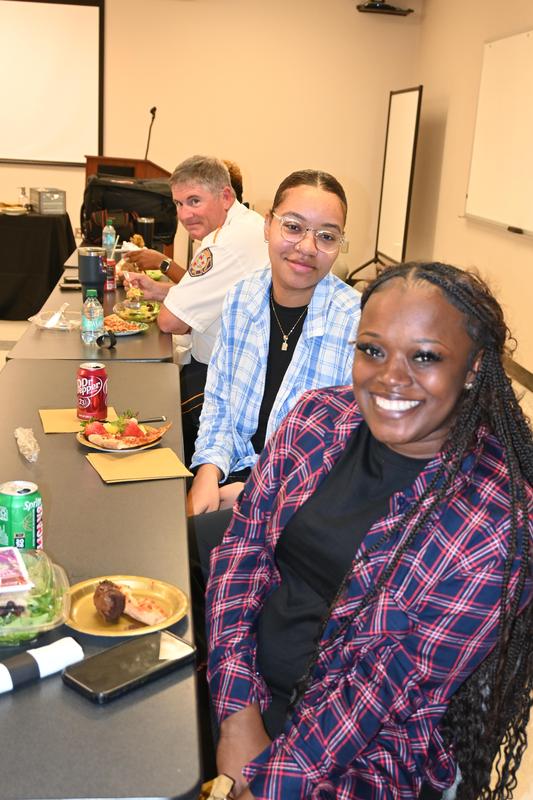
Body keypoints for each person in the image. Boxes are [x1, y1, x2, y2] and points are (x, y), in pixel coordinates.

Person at [205, 262, 533, 800]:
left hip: (367, 755)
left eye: (424, 357)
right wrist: (237, 712)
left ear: (473, 368)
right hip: (242, 684)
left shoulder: (497, 522)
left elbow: (383, 689)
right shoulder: (317, 419)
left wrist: (270, 781)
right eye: (372, 350)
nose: (389, 379)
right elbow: (242, 556)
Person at [187, 169, 361, 517]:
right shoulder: (242, 297)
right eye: (293, 227)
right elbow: (218, 401)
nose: (307, 248)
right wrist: (207, 471)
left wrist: (257, 493)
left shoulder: (356, 323)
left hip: (300, 502)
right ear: (268, 226)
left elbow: (346, 454)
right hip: (232, 475)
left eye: (326, 236)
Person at [125, 155, 269, 465]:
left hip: (230, 379)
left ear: (226, 196)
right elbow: (213, 297)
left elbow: (170, 322)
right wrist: (159, 291)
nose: (185, 214)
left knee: (151, 413)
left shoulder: (224, 244)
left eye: (194, 201)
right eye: (178, 204)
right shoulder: (243, 225)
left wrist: (168, 300)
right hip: (243, 368)